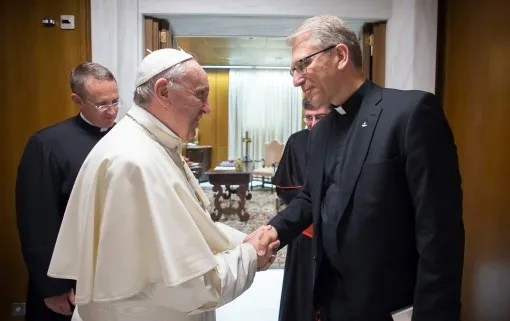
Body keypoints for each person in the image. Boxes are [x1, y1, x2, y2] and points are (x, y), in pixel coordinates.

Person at [47, 48, 279, 321]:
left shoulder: (153, 143)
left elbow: (192, 225)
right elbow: (190, 287)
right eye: (201, 94)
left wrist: (244, 241)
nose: (207, 107)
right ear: (163, 92)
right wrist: (251, 255)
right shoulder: (134, 161)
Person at [258, 15, 465, 321]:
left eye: (303, 65)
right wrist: (273, 230)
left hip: (388, 307)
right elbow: (311, 198)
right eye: (293, 70)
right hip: (328, 304)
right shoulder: (321, 132)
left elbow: (439, 235)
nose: (296, 79)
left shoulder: (410, 114)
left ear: (340, 55)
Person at [15, 62, 119, 321]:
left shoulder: (125, 138)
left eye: (116, 101)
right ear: (77, 100)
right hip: (69, 274)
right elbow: (37, 221)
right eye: (102, 104)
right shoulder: (47, 144)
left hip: (115, 268)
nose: (112, 111)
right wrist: (53, 288)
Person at [272, 99, 330, 321]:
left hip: (336, 232)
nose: (313, 123)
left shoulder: (344, 138)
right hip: (304, 231)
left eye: (320, 117)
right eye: (309, 117)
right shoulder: (297, 141)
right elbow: (284, 189)